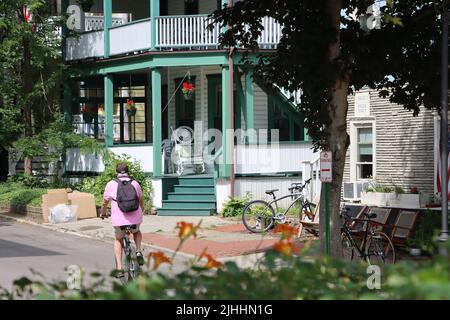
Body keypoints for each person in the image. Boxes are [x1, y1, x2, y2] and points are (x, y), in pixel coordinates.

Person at [100, 163, 145, 277]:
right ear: (128, 171)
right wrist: (142, 209)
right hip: (135, 216)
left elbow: (105, 202)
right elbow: (140, 199)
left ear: (116, 172)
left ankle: (119, 268)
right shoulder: (135, 183)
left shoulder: (111, 184)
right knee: (137, 231)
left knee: (118, 239)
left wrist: (103, 213)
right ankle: (138, 250)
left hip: (119, 219)